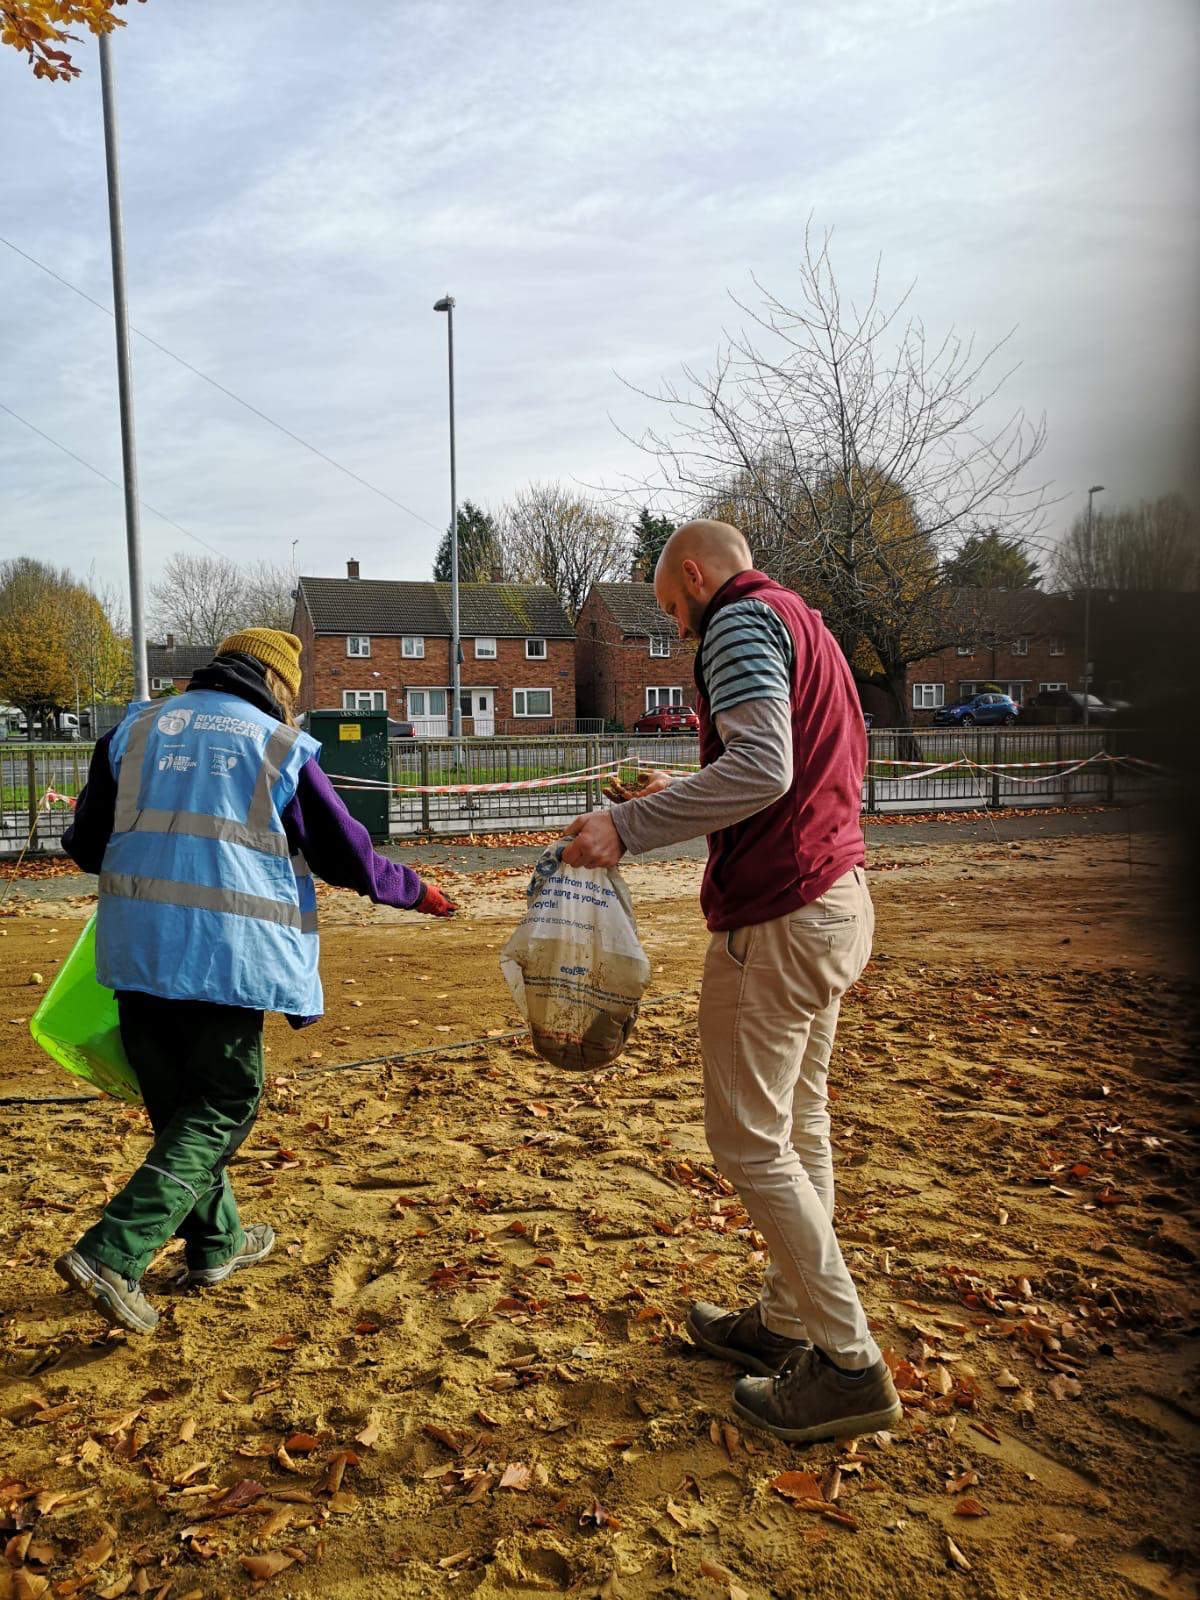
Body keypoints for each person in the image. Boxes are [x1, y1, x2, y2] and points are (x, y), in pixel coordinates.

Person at [563, 522, 901, 1444]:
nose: (679, 632)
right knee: (799, 1123)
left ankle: (848, 1365)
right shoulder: (803, 623)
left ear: (696, 575)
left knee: (750, 1143)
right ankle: (790, 1321)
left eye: (675, 611)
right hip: (835, 897)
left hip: (781, 915)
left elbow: (763, 768)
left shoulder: (739, 622)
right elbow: (787, 769)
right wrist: (680, 786)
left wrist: (626, 828)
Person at [56, 629, 456, 1336]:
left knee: (181, 1112)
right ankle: (114, 1252)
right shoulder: (275, 743)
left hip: (136, 952)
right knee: (221, 1105)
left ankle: (217, 1244)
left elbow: (87, 845)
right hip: (222, 960)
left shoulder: (133, 732)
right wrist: (413, 889)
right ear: (277, 684)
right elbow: (344, 851)